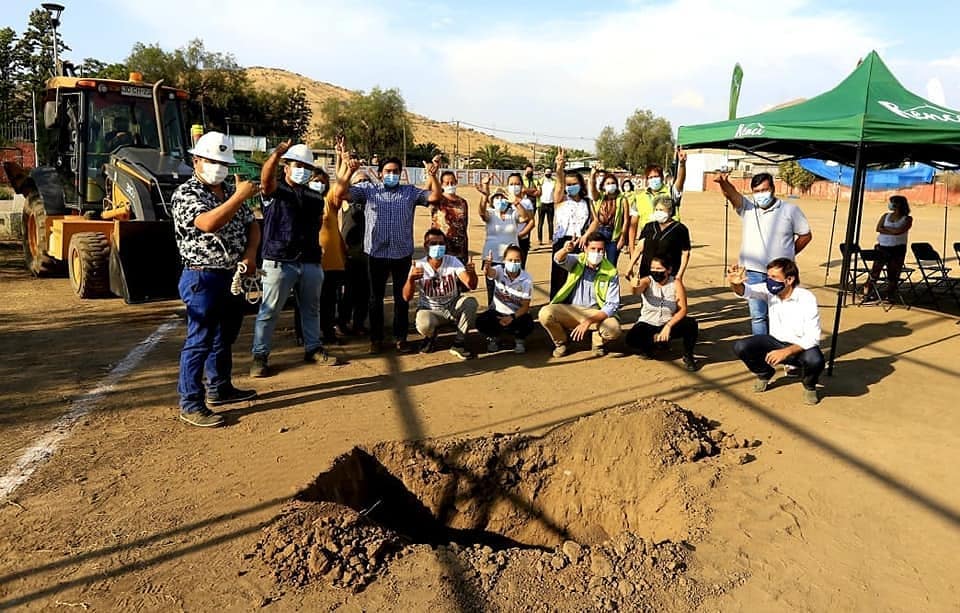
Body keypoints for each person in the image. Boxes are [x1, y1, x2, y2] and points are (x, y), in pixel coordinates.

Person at [172, 131, 260, 428]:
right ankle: (191, 402)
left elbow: (252, 226)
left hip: (230, 274)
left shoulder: (227, 192)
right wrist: (239, 196)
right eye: (212, 161)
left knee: (225, 336)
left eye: (224, 162)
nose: (219, 167)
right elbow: (209, 223)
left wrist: (250, 254)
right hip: (202, 276)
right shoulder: (188, 194)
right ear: (196, 160)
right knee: (200, 340)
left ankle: (219, 388)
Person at [331, 152, 443, 354]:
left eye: (396, 172)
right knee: (375, 299)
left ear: (401, 173)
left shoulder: (409, 192)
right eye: (388, 171)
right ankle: (376, 339)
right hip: (376, 253)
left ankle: (400, 338)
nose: (392, 174)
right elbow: (340, 193)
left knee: (402, 298)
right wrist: (349, 171)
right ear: (380, 174)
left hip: (401, 254)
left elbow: (435, 197)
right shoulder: (368, 190)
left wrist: (433, 176)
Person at [249, 141, 339, 377]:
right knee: (269, 311)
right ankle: (260, 356)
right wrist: (277, 153)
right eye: (297, 165)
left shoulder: (314, 197)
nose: (302, 170)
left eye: (306, 166)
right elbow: (266, 179)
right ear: (286, 167)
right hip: (279, 260)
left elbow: (317, 224)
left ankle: (313, 348)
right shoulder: (274, 190)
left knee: (311, 309)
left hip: (309, 260)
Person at [715, 171, 813, 335]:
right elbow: (732, 195)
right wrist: (723, 183)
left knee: (783, 313)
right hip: (753, 271)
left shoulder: (790, 210)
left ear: (773, 189)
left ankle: (784, 348)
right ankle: (761, 351)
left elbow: (806, 235)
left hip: (780, 274)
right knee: (758, 316)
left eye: (764, 190)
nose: (761, 195)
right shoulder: (748, 208)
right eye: (757, 191)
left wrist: (789, 255)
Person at [728, 259, 824, 405]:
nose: (769, 281)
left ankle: (809, 385)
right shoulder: (770, 291)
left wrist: (786, 351)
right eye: (768, 276)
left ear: (789, 279)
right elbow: (746, 291)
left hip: (799, 347)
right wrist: (736, 284)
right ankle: (764, 372)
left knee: (815, 360)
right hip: (774, 342)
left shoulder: (806, 298)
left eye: (774, 277)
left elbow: (813, 337)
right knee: (741, 347)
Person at [539, 232, 622, 357]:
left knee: (614, 328)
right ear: (585, 248)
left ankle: (597, 342)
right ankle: (562, 342)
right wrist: (565, 250)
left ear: (604, 251)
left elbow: (612, 306)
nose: (597, 253)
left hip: (595, 312)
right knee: (545, 313)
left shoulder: (611, 271)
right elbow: (558, 259)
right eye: (593, 249)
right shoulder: (578, 260)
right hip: (572, 310)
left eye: (600, 250)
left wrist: (588, 321)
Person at [402, 229, 479, 359]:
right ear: (426, 246)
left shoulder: (453, 261)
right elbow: (406, 297)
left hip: (452, 306)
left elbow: (471, 285)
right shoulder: (419, 265)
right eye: (433, 243)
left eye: (441, 243)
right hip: (430, 309)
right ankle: (430, 337)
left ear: (445, 246)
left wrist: (471, 273)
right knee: (423, 324)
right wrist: (411, 279)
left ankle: (459, 343)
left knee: (471, 303)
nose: (437, 247)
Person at [626, 255, 699, 371]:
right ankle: (654, 342)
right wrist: (634, 286)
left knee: (691, 324)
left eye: (659, 269)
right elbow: (637, 290)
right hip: (648, 323)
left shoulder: (675, 283)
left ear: (668, 270)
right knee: (632, 338)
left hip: (668, 322)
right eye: (653, 268)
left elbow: (683, 309)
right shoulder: (647, 281)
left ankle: (688, 355)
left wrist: (668, 326)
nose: (655, 272)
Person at [550, 147, 597, 298]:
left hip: (581, 243)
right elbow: (559, 183)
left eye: (574, 183)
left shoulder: (587, 202)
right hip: (563, 242)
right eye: (568, 184)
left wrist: (586, 235)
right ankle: (557, 307)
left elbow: (596, 221)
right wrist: (559, 168)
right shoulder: (561, 199)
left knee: (577, 277)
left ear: (580, 184)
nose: (570, 187)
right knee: (560, 277)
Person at [477, 178, 531, 307]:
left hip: (511, 259)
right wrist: (484, 196)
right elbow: (481, 212)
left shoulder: (513, 214)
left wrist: (517, 203)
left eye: (502, 198)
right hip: (492, 257)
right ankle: (493, 313)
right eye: (496, 198)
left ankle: (513, 312)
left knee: (511, 289)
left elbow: (526, 217)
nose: (500, 200)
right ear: (492, 201)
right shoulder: (490, 213)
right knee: (492, 289)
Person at [476, 245, 534, 354]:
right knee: (481, 321)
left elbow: (525, 306)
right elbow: (490, 273)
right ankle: (494, 338)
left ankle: (519, 340)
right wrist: (487, 267)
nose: (513, 263)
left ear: (521, 261)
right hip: (497, 313)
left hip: (515, 314)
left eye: (517, 260)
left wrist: (511, 317)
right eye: (510, 260)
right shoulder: (499, 270)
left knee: (527, 322)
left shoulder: (526, 279)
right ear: (504, 260)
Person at [318, 143, 348, 345]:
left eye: (321, 181)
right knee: (309, 302)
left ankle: (328, 332)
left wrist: (343, 160)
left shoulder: (328, 201)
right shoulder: (300, 200)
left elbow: (340, 184)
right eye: (315, 181)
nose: (318, 184)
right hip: (311, 261)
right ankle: (305, 336)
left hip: (333, 261)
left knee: (329, 301)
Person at [629, 151, 687, 249]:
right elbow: (633, 225)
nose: (653, 179)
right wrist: (632, 249)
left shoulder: (670, 192)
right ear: (647, 180)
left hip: (670, 241)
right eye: (650, 177)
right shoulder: (639, 197)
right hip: (647, 241)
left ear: (661, 178)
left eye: (656, 176)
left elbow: (680, 181)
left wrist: (682, 164)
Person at [626, 195, 692, 281]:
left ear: (670, 211)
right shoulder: (649, 226)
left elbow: (685, 253)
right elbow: (639, 248)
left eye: (661, 210)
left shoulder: (680, 229)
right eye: (656, 210)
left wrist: (679, 275)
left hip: (668, 273)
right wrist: (630, 266)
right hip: (647, 272)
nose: (658, 212)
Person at [862, 195, 912, 302]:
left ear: (899, 204)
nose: (890, 204)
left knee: (893, 273)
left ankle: (890, 294)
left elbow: (899, 231)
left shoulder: (907, 218)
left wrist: (886, 229)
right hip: (882, 247)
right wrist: (892, 230)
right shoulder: (886, 216)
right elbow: (878, 228)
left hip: (897, 249)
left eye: (893, 202)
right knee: (875, 271)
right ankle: (867, 292)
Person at [338, 171, 370, 336]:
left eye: (366, 180)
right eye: (359, 181)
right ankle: (342, 323)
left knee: (364, 292)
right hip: (349, 252)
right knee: (349, 291)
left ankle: (359, 324)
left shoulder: (371, 202)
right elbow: (340, 188)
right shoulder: (347, 201)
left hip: (367, 253)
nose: (363, 183)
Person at [588, 168, 631, 264]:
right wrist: (593, 175)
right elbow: (592, 188)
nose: (611, 185)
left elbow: (626, 221)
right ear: (603, 186)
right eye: (608, 183)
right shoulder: (599, 197)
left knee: (611, 263)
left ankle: (611, 279)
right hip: (599, 232)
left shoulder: (622, 199)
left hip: (613, 235)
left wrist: (622, 238)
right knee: (596, 261)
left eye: (613, 183)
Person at [430, 171, 469, 261]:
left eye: (452, 182)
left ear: (456, 182)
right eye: (446, 183)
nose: (450, 185)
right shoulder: (437, 200)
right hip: (440, 247)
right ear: (441, 184)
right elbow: (427, 190)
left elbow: (464, 226)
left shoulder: (462, 202)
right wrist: (432, 175)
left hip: (460, 249)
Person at [506, 171, 537, 268]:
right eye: (511, 184)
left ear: (521, 185)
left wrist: (520, 235)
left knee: (519, 267)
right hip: (505, 238)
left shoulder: (526, 202)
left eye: (517, 184)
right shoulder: (503, 201)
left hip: (521, 240)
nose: (514, 186)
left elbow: (531, 222)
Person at [537, 167, 556, 246]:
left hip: (551, 204)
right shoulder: (540, 181)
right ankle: (540, 239)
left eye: (550, 172)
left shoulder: (554, 181)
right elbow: (538, 191)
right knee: (540, 222)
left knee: (550, 223)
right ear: (544, 173)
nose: (548, 173)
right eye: (547, 172)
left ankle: (551, 239)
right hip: (542, 204)